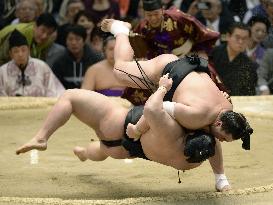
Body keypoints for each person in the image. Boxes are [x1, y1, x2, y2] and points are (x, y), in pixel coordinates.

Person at [15, 87, 227, 190]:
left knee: (70, 96)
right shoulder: (188, 162)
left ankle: (42, 138)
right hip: (121, 150)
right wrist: (220, 179)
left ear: (191, 134)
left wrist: (163, 87)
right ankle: (84, 153)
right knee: (101, 150)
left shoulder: (172, 131)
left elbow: (154, 108)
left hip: (119, 123)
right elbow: (213, 144)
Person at [100, 19, 253, 149]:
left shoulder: (228, 107)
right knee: (119, 70)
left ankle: (221, 179)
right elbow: (158, 107)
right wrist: (137, 129)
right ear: (219, 123)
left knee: (125, 70)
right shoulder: (198, 116)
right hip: (165, 70)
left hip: (182, 68)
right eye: (225, 138)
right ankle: (120, 29)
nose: (221, 141)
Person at [0, 29, 65, 97]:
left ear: (28, 51)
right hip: (12, 107)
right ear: (10, 54)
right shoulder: (2, 71)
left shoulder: (42, 66)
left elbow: (55, 90)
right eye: (16, 51)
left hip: (40, 106)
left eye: (23, 50)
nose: (20, 54)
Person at [211, 22, 258, 96]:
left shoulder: (248, 65)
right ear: (228, 36)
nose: (241, 42)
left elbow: (249, 92)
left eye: (244, 38)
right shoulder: (213, 54)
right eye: (237, 37)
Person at [52, 25, 103, 89]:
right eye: (70, 39)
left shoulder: (96, 60)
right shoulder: (59, 62)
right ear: (66, 41)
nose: (74, 43)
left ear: (84, 41)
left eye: (77, 39)